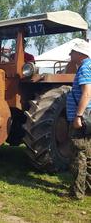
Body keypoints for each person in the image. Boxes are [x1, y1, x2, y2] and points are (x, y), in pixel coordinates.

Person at [66, 41, 91, 200]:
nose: (70, 55)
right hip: (88, 117)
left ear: (80, 53)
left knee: (78, 156)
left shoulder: (84, 68)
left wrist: (78, 116)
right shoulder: (88, 66)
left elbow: (86, 93)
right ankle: (88, 188)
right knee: (88, 155)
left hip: (82, 118)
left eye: (72, 52)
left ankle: (76, 194)